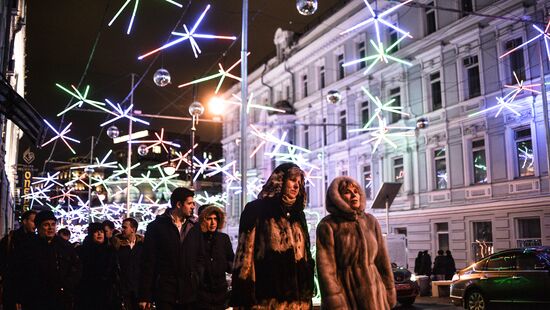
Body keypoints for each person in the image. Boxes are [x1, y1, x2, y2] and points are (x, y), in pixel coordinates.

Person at [231, 163, 315, 309]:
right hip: (266, 300)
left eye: (299, 182)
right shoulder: (257, 209)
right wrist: (244, 296)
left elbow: (306, 257)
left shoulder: (298, 215)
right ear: (280, 180)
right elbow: (245, 258)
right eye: (292, 180)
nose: (296, 186)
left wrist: (307, 292)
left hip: (298, 302)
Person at [316, 176, 396, 309]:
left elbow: (383, 262)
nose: (354, 195)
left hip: (377, 297)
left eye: (356, 191)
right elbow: (326, 270)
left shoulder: (371, 221)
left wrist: (389, 290)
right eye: (347, 192)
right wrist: (335, 302)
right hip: (347, 296)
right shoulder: (328, 225)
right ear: (337, 198)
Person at [139, 187, 200, 310]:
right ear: (178, 204)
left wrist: (196, 278)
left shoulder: (194, 228)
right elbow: (148, 262)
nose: (193, 206)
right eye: (189, 203)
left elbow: (200, 257)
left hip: (189, 292)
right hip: (165, 292)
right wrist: (145, 295)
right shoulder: (156, 227)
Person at [14, 210, 81, 310]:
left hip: (60, 299)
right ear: (38, 227)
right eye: (46, 225)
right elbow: (19, 273)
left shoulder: (65, 247)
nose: (50, 228)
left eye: (53, 224)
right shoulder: (28, 247)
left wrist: (67, 286)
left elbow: (76, 268)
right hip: (34, 299)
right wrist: (19, 297)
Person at [195, 205, 234, 310]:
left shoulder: (223, 239)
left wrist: (223, 266)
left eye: (215, 219)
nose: (213, 223)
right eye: (209, 219)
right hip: (201, 292)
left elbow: (231, 261)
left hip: (220, 291)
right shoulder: (196, 239)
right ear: (202, 220)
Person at [76, 222, 121, 310]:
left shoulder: (111, 251)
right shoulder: (82, 251)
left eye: (101, 231)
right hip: (87, 293)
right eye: (96, 231)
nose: (99, 234)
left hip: (108, 295)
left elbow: (115, 273)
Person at [0, 210, 37, 310]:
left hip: (30, 290)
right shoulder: (10, 239)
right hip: (12, 286)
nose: (35, 224)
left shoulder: (37, 241)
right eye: (33, 221)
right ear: (25, 221)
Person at [117, 218, 144, 310]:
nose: (122, 230)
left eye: (125, 227)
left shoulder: (142, 246)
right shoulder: (118, 246)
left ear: (133, 229)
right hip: (124, 290)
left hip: (139, 290)